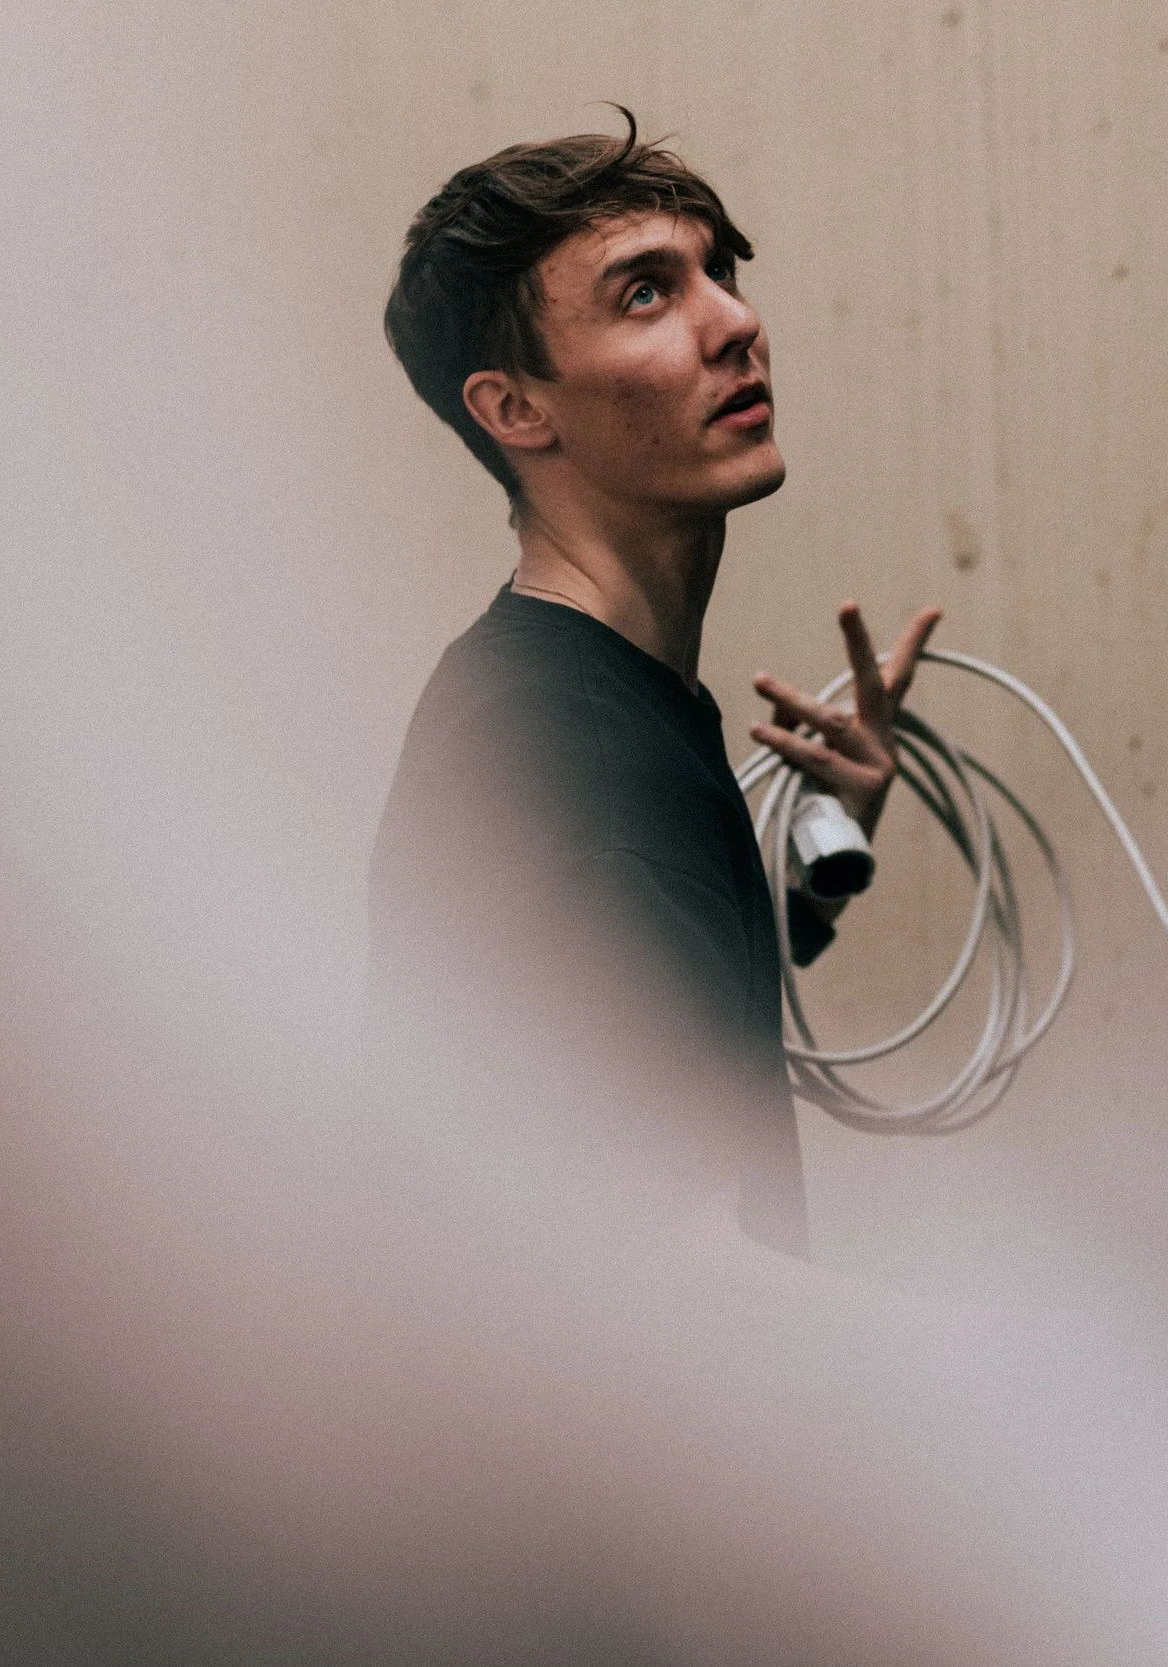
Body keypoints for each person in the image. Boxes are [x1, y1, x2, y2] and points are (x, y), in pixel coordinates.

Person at [372, 113, 940, 1256]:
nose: (735, 322)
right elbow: (691, 1297)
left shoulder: (562, 695)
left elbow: (641, 993)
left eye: (716, 271)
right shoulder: (591, 779)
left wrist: (817, 865)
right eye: (644, 293)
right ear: (514, 408)